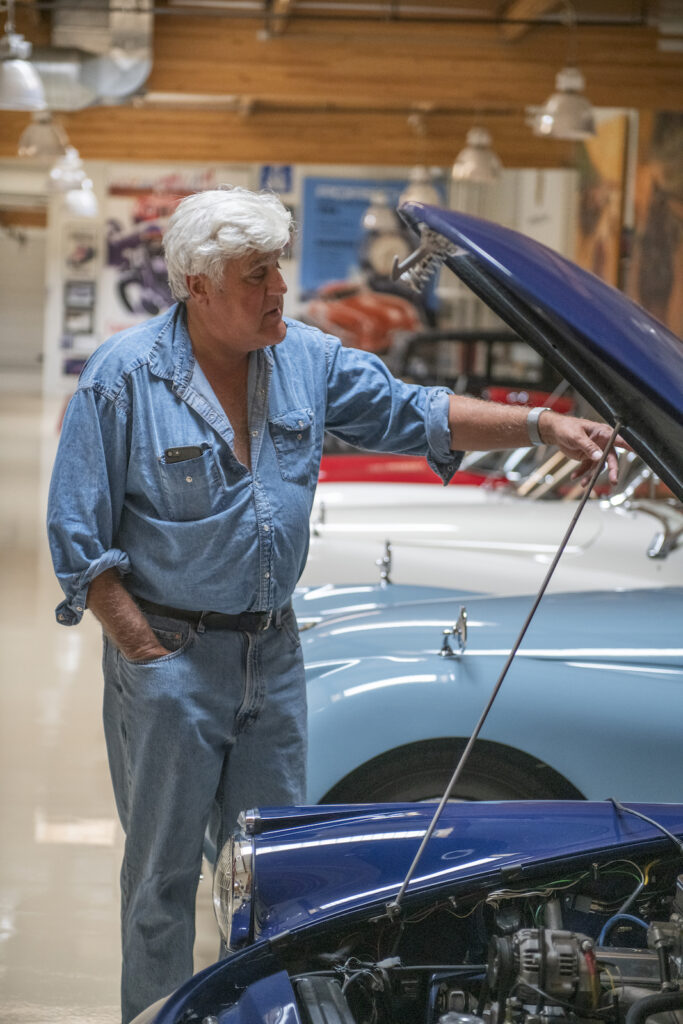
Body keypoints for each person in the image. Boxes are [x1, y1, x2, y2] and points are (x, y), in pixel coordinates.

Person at [47, 185, 620, 1023]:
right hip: (170, 659)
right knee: (161, 881)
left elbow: (418, 413)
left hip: (271, 660)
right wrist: (144, 651)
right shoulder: (124, 378)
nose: (279, 290)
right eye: (255, 276)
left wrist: (538, 423)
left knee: (274, 876)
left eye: (276, 269)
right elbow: (75, 534)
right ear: (196, 286)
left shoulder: (306, 360)